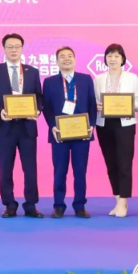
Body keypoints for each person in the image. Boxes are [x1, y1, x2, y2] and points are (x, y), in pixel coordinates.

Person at [0, 33, 44, 218]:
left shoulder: (32, 71)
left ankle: (31, 205)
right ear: (4, 49)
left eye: (17, 46)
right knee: (5, 167)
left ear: (22, 49)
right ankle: (9, 204)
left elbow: (39, 96)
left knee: (30, 168)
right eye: (10, 46)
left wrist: (37, 110)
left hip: (27, 127)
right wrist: (0, 110)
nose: (13, 50)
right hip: (4, 126)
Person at [42, 47, 97, 218]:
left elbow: (92, 104)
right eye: (62, 56)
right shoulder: (49, 82)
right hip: (59, 133)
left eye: (70, 56)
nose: (66, 59)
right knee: (60, 171)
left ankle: (80, 206)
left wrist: (92, 125)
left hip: (82, 133)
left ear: (75, 59)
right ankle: (59, 206)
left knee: (80, 171)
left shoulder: (86, 79)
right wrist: (52, 125)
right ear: (57, 61)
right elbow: (46, 107)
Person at [94, 43, 138, 218]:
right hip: (104, 124)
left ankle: (123, 202)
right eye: (109, 56)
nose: (112, 59)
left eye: (116, 56)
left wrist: (132, 106)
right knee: (111, 163)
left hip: (125, 124)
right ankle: (117, 199)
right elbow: (94, 99)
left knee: (124, 163)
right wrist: (97, 105)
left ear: (122, 59)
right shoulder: (98, 79)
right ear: (105, 59)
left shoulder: (132, 78)